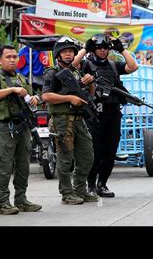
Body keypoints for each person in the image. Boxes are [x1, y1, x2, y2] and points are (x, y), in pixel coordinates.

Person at [73, 34, 138, 198]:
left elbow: (133, 66)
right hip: (94, 115)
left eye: (105, 48)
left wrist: (121, 49)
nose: (102, 51)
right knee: (95, 151)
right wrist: (85, 49)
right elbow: (72, 66)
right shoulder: (86, 64)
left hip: (113, 114)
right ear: (94, 50)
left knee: (110, 151)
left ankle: (102, 184)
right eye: (99, 48)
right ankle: (91, 185)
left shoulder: (113, 65)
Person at [41, 37, 99, 205]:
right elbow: (46, 96)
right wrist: (70, 98)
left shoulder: (75, 72)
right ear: (58, 55)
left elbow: (90, 94)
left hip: (79, 119)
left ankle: (80, 189)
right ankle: (67, 193)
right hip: (62, 120)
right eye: (65, 52)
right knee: (65, 157)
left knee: (87, 155)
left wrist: (91, 83)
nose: (69, 54)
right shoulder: (51, 72)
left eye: (71, 51)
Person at [0, 45, 42, 215]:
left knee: (24, 165)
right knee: (4, 166)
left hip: (23, 126)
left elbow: (35, 98)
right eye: (8, 57)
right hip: (6, 127)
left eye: (15, 56)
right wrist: (11, 89)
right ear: (0, 60)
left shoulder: (22, 78)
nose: (12, 60)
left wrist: (34, 99)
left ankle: (21, 200)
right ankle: (3, 204)